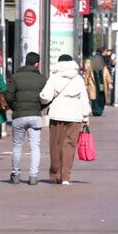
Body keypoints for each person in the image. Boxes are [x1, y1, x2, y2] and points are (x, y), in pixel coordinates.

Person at [42, 53, 91, 185]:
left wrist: (42, 97)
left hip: (57, 113)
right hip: (75, 115)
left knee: (55, 145)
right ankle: (66, 177)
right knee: (69, 145)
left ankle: (55, 175)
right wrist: (85, 116)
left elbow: (45, 96)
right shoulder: (78, 79)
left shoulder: (54, 77)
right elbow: (84, 99)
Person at [7, 53, 48, 185]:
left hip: (19, 116)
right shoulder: (42, 79)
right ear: (37, 64)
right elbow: (47, 97)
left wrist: (15, 107)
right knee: (35, 147)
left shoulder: (15, 77)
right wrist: (40, 108)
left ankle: (16, 174)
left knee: (17, 146)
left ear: (25, 62)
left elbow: (8, 97)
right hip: (35, 116)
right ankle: (33, 176)